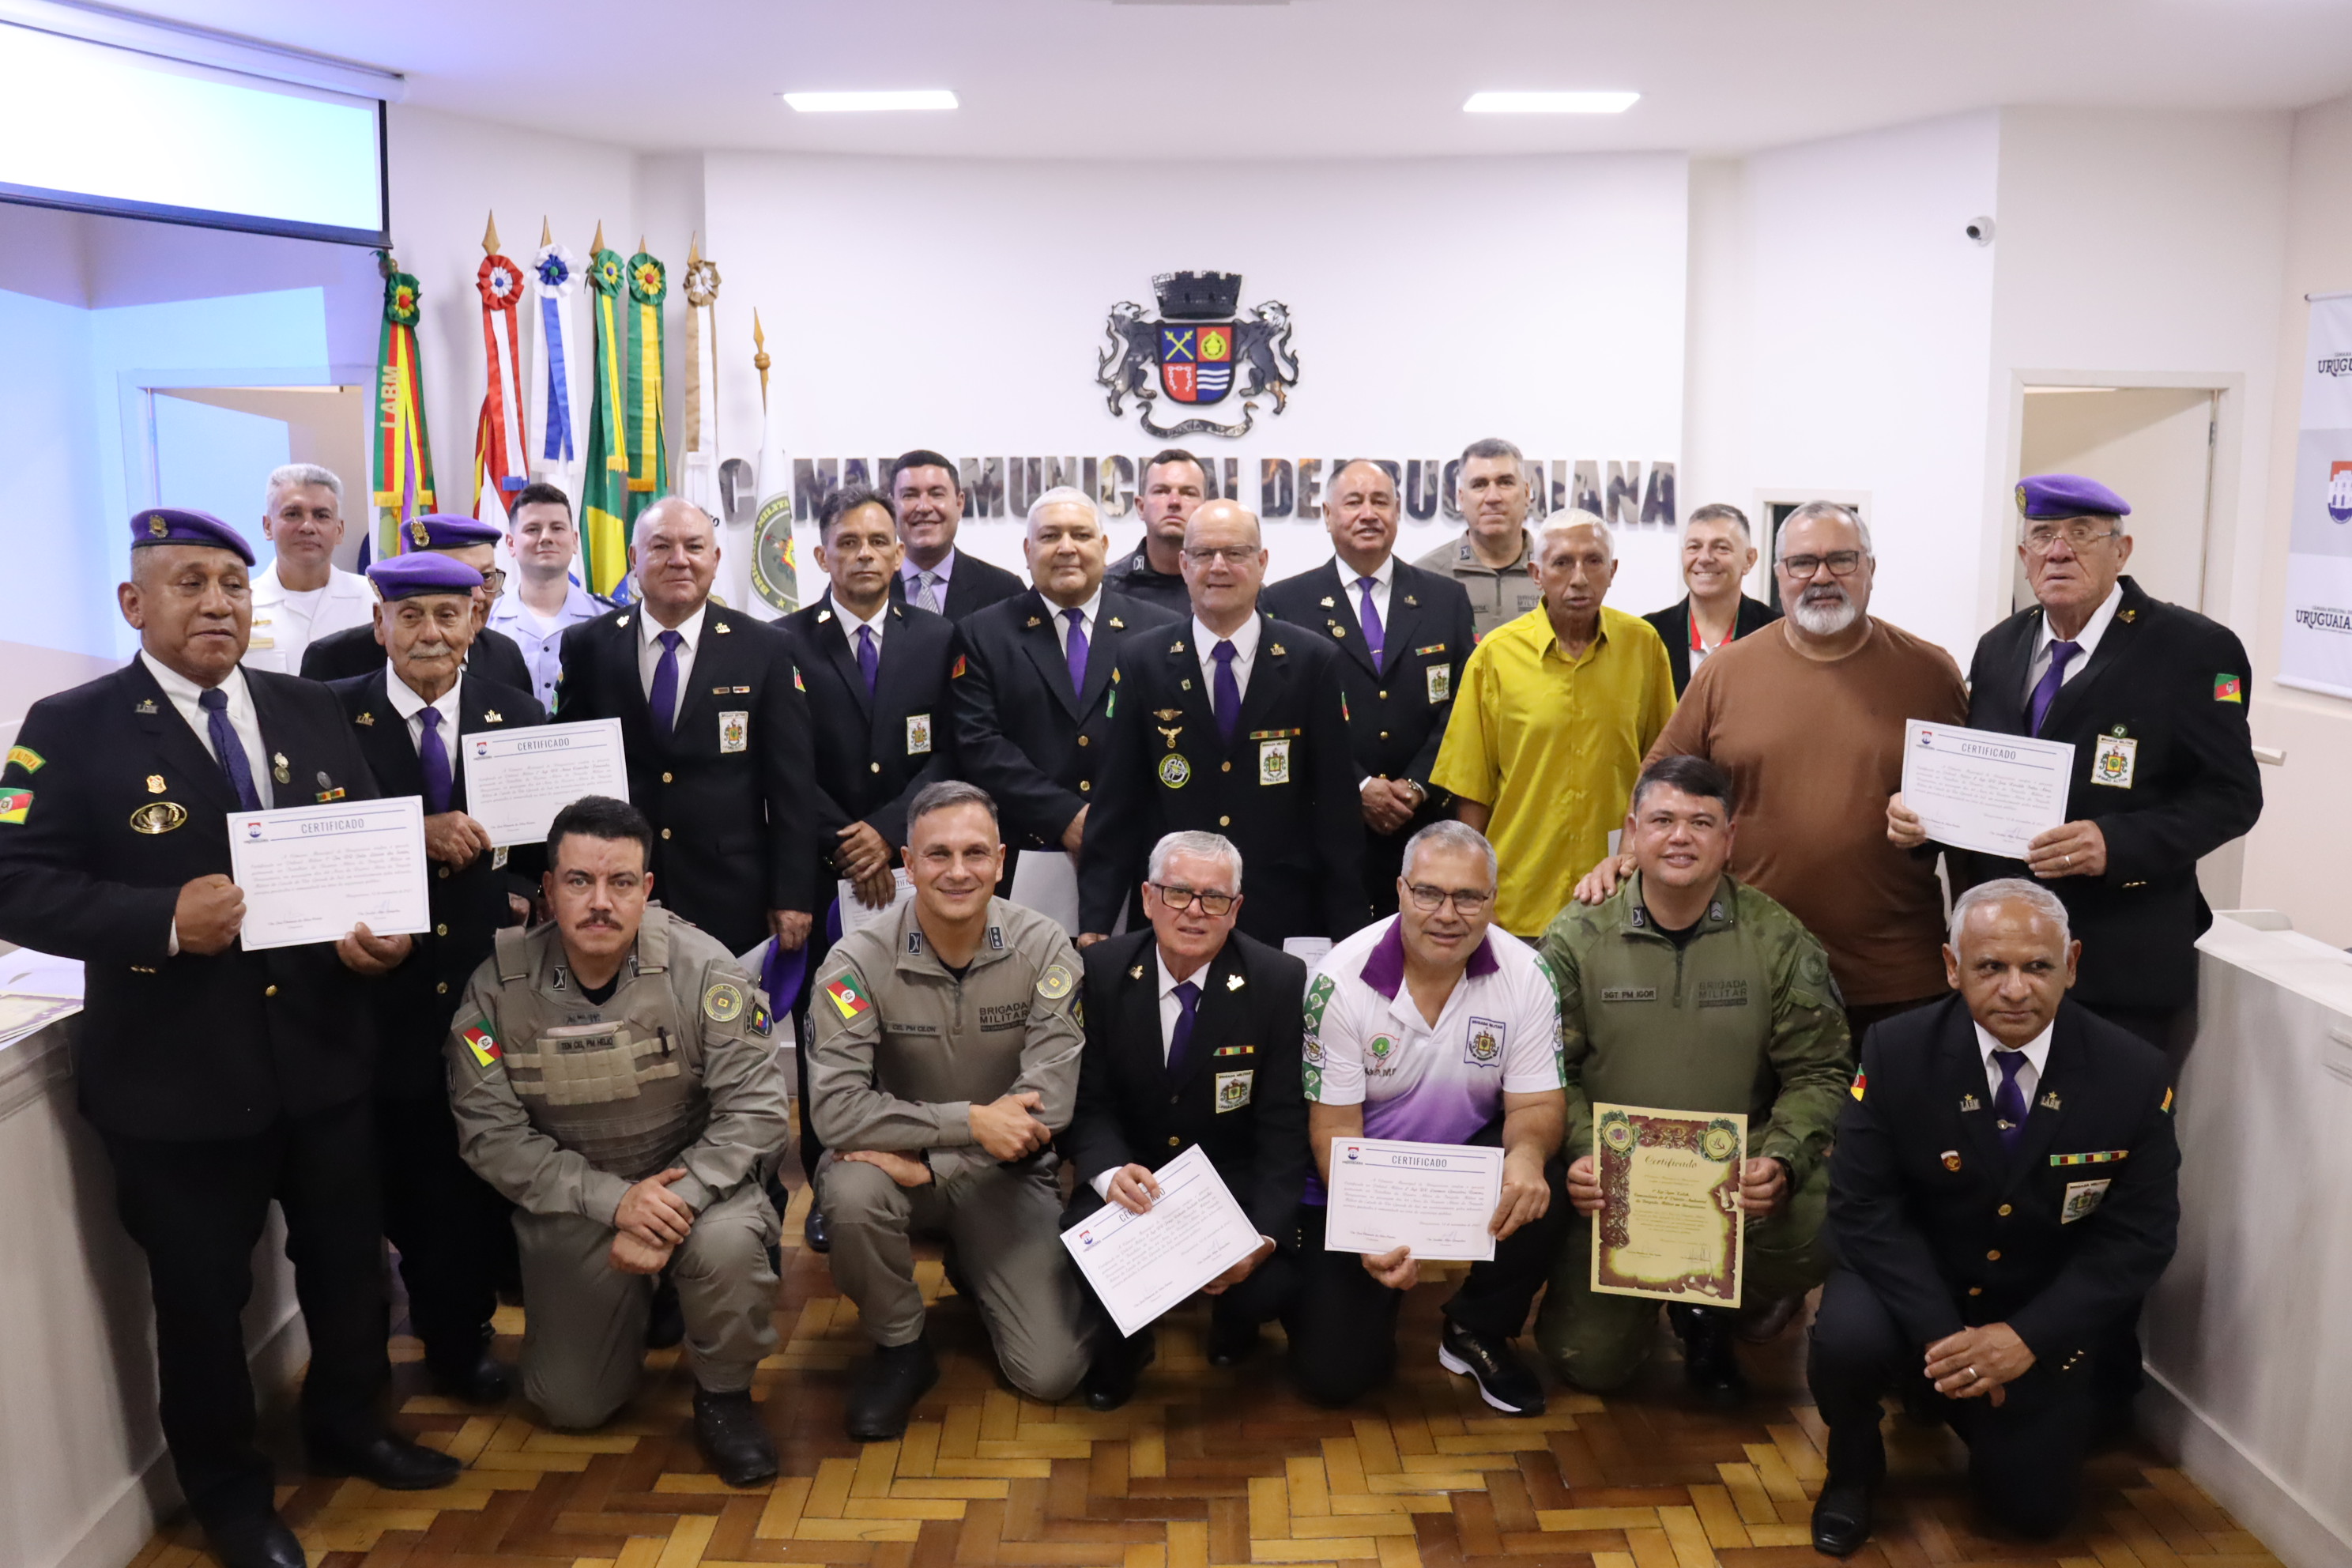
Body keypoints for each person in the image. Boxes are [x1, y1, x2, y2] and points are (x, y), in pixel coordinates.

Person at [0, 509, 450, 1568]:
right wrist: (159, 923)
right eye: (191, 583)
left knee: (347, 1270)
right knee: (202, 1302)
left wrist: (369, 940)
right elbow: (14, 885)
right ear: (135, 603)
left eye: (233, 586)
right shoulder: (66, 729)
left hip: (326, 1058)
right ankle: (232, 1499)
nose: (217, 604)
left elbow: (351, 854)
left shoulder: (308, 707)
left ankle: (351, 1422)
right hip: (178, 1082)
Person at [1806, 880, 2180, 1553]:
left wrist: (2025, 1337)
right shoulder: (1896, 1053)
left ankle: (1948, 1401)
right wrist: (1949, 1341)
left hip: (2035, 1306)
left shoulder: (2133, 1072)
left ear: (2071, 964)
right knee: (1846, 1340)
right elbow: (1864, 1210)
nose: (2015, 990)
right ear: (1952, 968)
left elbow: (2138, 1237)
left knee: (2033, 1512)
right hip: (1919, 1285)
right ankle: (1853, 1468)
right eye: (1990, 967)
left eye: (2037, 966)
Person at [447, 795, 786, 1486]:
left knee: (725, 1244)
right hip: (580, 1201)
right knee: (570, 1405)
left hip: (696, 1188)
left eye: (621, 883)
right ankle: (640, 1307)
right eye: (579, 881)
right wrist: (615, 1203)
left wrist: (674, 1200)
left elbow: (756, 1109)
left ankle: (724, 1396)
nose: (600, 902)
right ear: (547, 889)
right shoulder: (496, 990)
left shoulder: (706, 970)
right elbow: (490, 1136)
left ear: (646, 891)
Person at [1888, 474, 2261, 1061]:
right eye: (2042, 536)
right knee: (1999, 1138)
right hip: (2000, 967)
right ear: (2024, 556)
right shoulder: (1999, 647)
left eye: (2081, 534)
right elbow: (1982, 776)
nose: (2058, 550)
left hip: (2120, 961)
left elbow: (2233, 795)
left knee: (2106, 1144)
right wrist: (1919, 817)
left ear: (2123, 549)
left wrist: (2115, 842)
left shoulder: (2193, 650)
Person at [1579, 501, 1968, 1035]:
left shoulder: (1930, 674)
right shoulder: (1726, 673)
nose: (1822, 576)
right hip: (1750, 969)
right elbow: (1659, 785)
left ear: (1871, 569)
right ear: (1778, 573)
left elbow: (1970, 817)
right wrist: (1626, 861)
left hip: (1894, 978)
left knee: (1885, 1119)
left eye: (1842, 560)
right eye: (1803, 562)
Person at [1533, 756, 1849, 1401]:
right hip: (1613, 1192)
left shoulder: (1778, 940)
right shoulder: (1575, 938)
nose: (1681, 837)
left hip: (1733, 1191)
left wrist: (1782, 1162)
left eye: (1702, 822)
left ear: (1729, 839)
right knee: (1590, 1364)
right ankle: (1650, 1302)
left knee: (1832, 1218)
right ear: (1632, 832)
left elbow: (1820, 1070)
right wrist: (1583, 1152)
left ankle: (1712, 1308)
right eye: (1664, 820)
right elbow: (1543, 1070)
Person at [806, 782, 1091, 1439]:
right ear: (908, 863)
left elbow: (1049, 1105)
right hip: (897, 1172)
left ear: (1000, 860)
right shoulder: (854, 963)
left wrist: (934, 1166)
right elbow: (835, 1113)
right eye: (938, 855)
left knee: (1052, 1374)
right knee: (849, 1191)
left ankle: (973, 1258)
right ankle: (901, 1346)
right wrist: (970, 1123)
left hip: (1002, 1176)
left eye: (974, 853)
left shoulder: (1046, 947)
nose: (958, 871)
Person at [326, 552, 545, 1404]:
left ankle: (461, 1343)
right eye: (409, 614)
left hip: (486, 988)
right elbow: (306, 836)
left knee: (465, 1182)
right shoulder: (327, 716)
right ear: (378, 624)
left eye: (448, 614)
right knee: (386, 1181)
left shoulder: (514, 713)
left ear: (477, 623)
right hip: (369, 994)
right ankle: (376, 1355)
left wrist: (526, 893)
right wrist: (411, 832)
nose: (430, 632)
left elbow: (540, 850)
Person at [1291, 821, 1566, 1415]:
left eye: (1469, 897)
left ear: (1493, 900)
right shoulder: (1338, 980)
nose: (1448, 914)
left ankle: (1478, 1329)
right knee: (1337, 1376)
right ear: (1399, 891)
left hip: (1464, 1162)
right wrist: (1370, 1229)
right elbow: (1335, 1129)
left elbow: (1537, 1106)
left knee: (1550, 1173)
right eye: (1429, 893)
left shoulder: (1529, 976)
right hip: (1360, 1176)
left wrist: (1525, 1158)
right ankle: (1354, 1298)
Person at [1064, 831, 1308, 1410]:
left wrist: (1265, 1237)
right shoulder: (1100, 970)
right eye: (1178, 893)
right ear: (1148, 898)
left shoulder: (1278, 981)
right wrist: (1107, 1174)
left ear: (1237, 909)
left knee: (1270, 1284)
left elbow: (1283, 1125)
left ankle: (1236, 1321)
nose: (1195, 911)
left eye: (1214, 898)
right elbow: (1089, 1101)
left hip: (1231, 1183)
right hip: (1133, 1174)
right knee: (1078, 1251)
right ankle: (1129, 1342)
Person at [779, 484, 961, 1247]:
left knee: (915, 1029)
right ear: (821, 555)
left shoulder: (941, 636)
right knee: (834, 1035)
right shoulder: (782, 641)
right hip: (825, 877)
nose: (864, 555)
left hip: (918, 871)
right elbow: (782, 767)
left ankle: (926, 1184)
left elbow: (955, 749)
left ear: (901, 553)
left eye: (878, 541)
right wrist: (845, 840)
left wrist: (890, 835)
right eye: (847, 543)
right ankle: (830, 1186)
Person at [1079, 499, 1367, 948]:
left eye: (1235, 553)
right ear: (1183, 564)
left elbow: (1337, 812)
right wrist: (1095, 918)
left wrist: (1348, 933)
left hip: (1280, 911)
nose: (1218, 567)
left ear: (1261, 562)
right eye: (1203, 554)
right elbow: (1117, 800)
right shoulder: (1142, 661)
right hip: (1173, 912)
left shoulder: (1313, 662)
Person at [553, 496, 816, 958]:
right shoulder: (589, 645)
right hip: (613, 891)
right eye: (661, 547)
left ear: (714, 561)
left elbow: (791, 785)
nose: (679, 560)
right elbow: (567, 773)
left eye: (694, 547)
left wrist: (792, 894)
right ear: (635, 559)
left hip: (730, 892)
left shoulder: (766, 649)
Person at [1431, 512, 1675, 940]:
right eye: (1562, 563)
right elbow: (1473, 790)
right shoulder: (1495, 657)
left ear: (1613, 571)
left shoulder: (1644, 646)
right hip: (1518, 904)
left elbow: (1662, 772)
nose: (1579, 578)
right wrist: (1471, 895)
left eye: (1594, 561)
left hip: (1618, 900)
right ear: (1536, 574)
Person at [1263, 458, 1477, 916]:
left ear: (1397, 511)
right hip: (1329, 830)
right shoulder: (1284, 602)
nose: (1368, 513)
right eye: (1353, 502)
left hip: (1426, 826)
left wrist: (1417, 785)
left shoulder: (1446, 599)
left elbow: (1462, 706)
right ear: (1326, 515)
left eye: (1380, 501)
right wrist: (1356, 785)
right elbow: (1285, 710)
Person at [948, 484, 1179, 880]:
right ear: (1027, 551)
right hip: (1024, 852)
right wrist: (1064, 816)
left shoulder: (1158, 629)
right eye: (1050, 536)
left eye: (1081, 535)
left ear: (1105, 546)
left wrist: (1110, 820)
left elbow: (1168, 737)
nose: (1066, 547)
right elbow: (979, 745)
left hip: (1134, 851)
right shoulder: (982, 633)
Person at [301, 514, 534, 692]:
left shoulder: (505, 655)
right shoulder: (335, 660)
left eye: (487, 577)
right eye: (458, 580)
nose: (480, 596)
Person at [486, 480, 610, 709]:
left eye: (557, 528)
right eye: (533, 529)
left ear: (574, 541)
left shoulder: (608, 620)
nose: (546, 537)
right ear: (511, 544)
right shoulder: (485, 623)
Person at [243, 463, 375, 676]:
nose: (307, 527)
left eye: (321, 515)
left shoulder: (375, 600)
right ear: (268, 526)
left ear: (339, 530)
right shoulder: (240, 607)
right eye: (293, 514)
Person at [1642, 503, 1781, 696]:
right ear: (1683, 555)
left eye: (1721, 548)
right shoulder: (1648, 633)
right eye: (1694, 547)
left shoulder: (1778, 634)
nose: (1705, 558)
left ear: (1749, 559)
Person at [1412, 437, 1544, 641]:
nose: (1493, 497)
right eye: (1479, 485)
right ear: (1462, 499)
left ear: (1527, 493)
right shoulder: (1424, 577)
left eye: (1505, 482)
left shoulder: (1557, 571)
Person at [885, 449, 1024, 620]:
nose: (924, 507)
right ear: (891, 508)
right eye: (910, 495)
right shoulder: (864, 588)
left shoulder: (1005, 591)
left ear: (959, 504)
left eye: (937, 494)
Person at [1103, 447, 1208, 614]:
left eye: (1188, 493)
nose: (1174, 502)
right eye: (1161, 491)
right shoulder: (1106, 588)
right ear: (1141, 507)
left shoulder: (1228, 585)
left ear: (1205, 509)